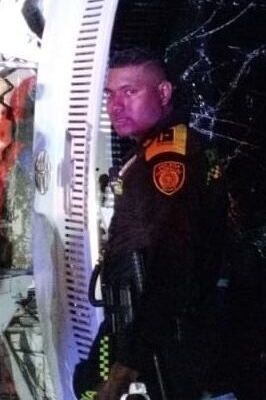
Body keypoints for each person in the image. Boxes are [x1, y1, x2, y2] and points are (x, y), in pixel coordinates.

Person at [73, 47, 231, 400]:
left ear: (163, 92)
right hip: (143, 326)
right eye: (110, 94)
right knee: (85, 383)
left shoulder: (168, 162)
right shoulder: (153, 151)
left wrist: (125, 367)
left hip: (161, 340)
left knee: (90, 388)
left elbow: (171, 265)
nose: (115, 106)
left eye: (130, 92)